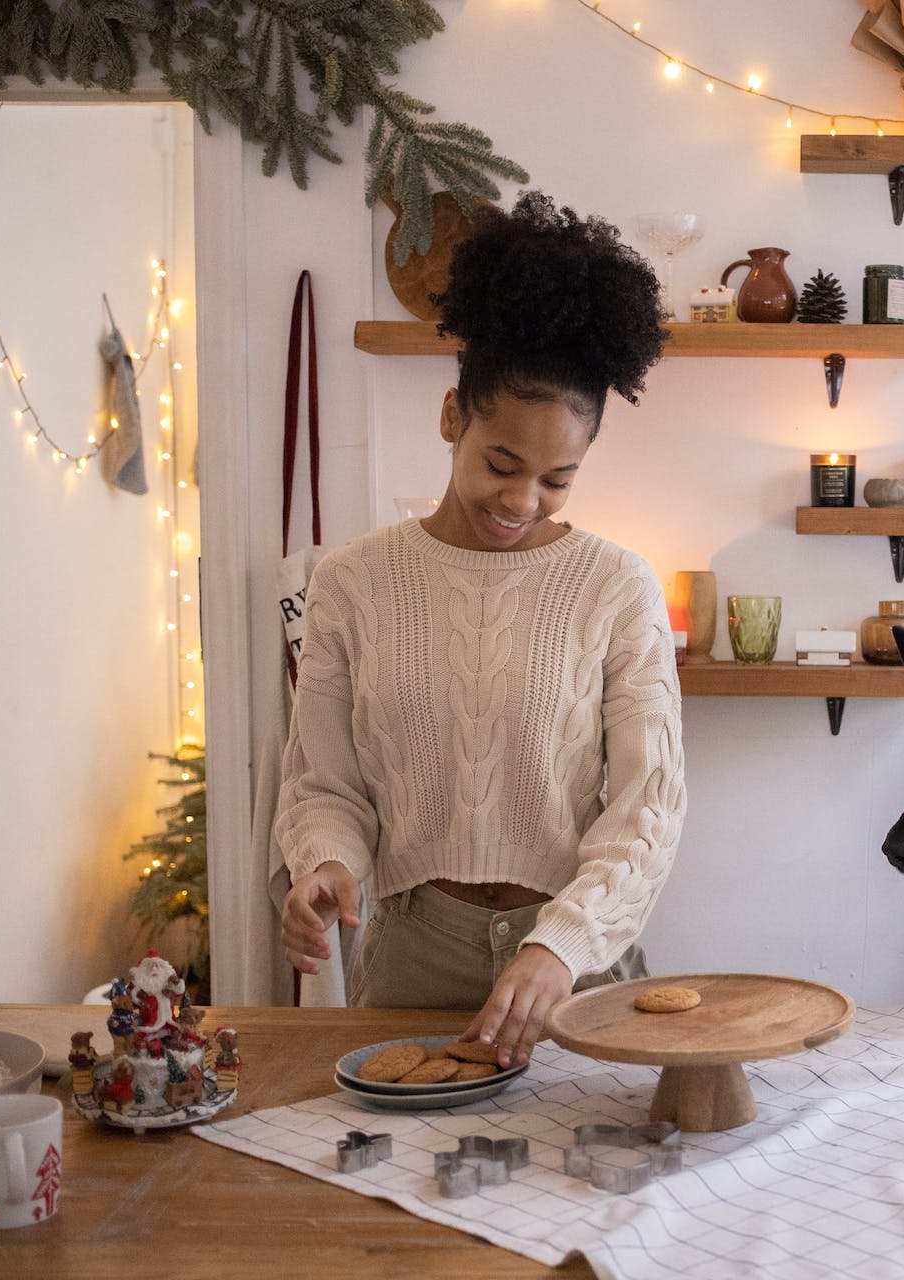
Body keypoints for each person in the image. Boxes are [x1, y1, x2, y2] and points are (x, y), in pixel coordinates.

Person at [276, 191, 683, 1069]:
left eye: (556, 480)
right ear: (453, 416)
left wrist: (561, 943)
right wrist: (328, 867)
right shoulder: (350, 583)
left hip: (573, 958)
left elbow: (646, 806)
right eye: (503, 463)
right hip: (412, 958)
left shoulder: (616, 585)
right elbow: (324, 784)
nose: (522, 501)